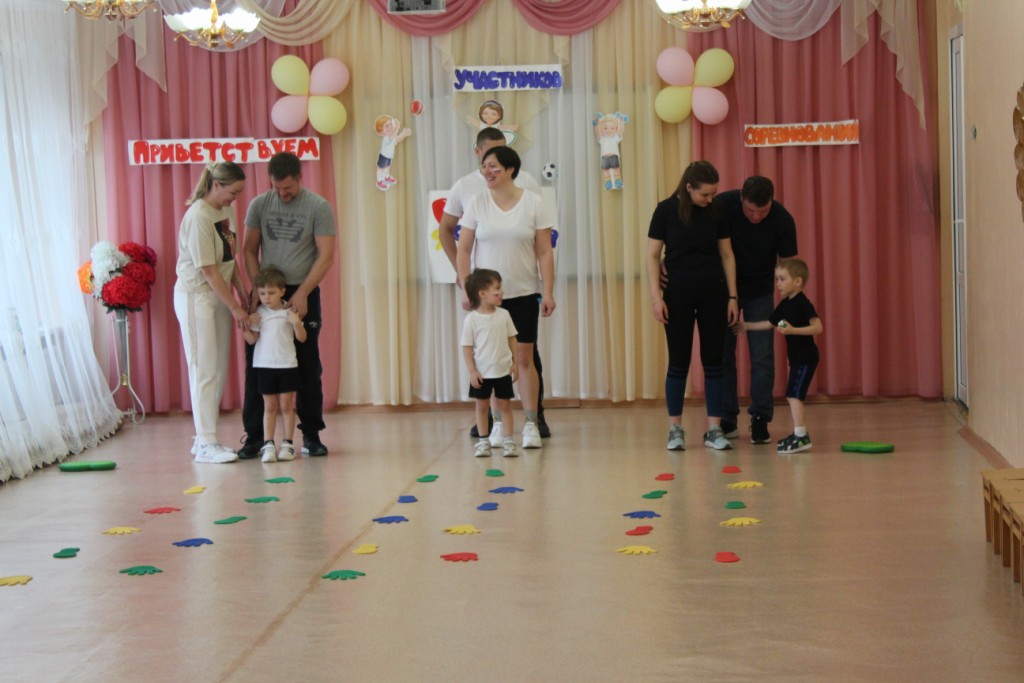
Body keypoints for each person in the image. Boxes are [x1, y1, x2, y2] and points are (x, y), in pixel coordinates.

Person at [439, 127, 551, 440]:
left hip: (523, 291)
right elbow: (461, 246)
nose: (488, 171)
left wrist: (548, 292)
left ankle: (533, 422)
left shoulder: (531, 196)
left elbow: (544, 249)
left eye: (495, 165)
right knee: (488, 359)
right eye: (485, 164)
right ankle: (495, 424)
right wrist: (467, 286)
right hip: (486, 297)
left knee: (525, 358)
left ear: (510, 168)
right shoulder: (474, 197)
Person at [239, 152, 337, 459]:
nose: (283, 194)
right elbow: (248, 250)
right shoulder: (259, 205)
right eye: (277, 188)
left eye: (288, 188)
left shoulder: (318, 207)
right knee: (258, 364)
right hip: (266, 291)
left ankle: (310, 434)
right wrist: (258, 290)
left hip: (300, 289)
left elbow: (326, 255)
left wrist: (303, 291)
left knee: (307, 363)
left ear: (299, 178)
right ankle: (256, 437)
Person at [646, 160, 739, 451]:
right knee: (678, 362)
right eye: (704, 194)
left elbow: (727, 255)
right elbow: (652, 255)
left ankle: (714, 429)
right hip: (677, 295)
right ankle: (675, 429)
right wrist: (656, 298)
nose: (710, 199)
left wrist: (733, 297)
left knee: (714, 362)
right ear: (689, 187)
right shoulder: (665, 210)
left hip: (714, 294)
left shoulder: (717, 211)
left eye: (713, 194)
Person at [173, 162, 249, 464]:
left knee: (217, 368)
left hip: (218, 296)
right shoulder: (198, 217)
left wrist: (242, 293)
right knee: (202, 368)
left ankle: (205, 437)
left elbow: (229, 260)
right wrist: (236, 308)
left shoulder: (225, 212)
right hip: (196, 297)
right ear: (217, 185)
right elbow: (207, 270)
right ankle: (205, 442)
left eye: (238, 193)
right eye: (233, 192)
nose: (235, 198)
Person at [717, 176, 798, 445]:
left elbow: (787, 267)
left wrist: (790, 303)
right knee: (723, 354)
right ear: (741, 198)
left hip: (760, 291)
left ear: (771, 202)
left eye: (762, 211)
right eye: (751, 210)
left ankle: (761, 417)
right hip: (723, 289)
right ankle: (727, 418)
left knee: (762, 355)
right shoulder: (722, 206)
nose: (756, 217)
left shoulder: (782, 219)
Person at [737, 258, 822, 454]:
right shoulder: (785, 305)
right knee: (793, 395)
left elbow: (818, 327)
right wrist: (746, 326)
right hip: (798, 359)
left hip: (806, 358)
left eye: (782, 279)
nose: (778, 284)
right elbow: (770, 323)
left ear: (798, 281)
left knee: (794, 395)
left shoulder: (803, 303)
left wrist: (793, 330)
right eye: (776, 279)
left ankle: (801, 436)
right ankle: (799, 434)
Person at [243, 266, 307, 463]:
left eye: (271, 292)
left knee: (287, 405)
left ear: (282, 291)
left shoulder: (290, 311)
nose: (266, 297)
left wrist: (297, 323)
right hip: (264, 366)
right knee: (269, 406)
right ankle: (268, 444)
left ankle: (288, 444)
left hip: (287, 365)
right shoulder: (259, 313)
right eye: (262, 293)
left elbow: (302, 338)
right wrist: (244, 325)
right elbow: (252, 340)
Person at [461, 268, 519, 458]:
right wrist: (472, 371)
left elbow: (512, 339)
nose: (501, 292)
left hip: (502, 370)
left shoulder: (504, 315)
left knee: (505, 405)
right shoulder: (471, 320)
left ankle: (508, 441)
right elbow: (467, 347)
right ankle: (483, 442)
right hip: (482, 373)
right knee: (482, 407)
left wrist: (515, 363)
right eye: (496, 289)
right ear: (482, 294)